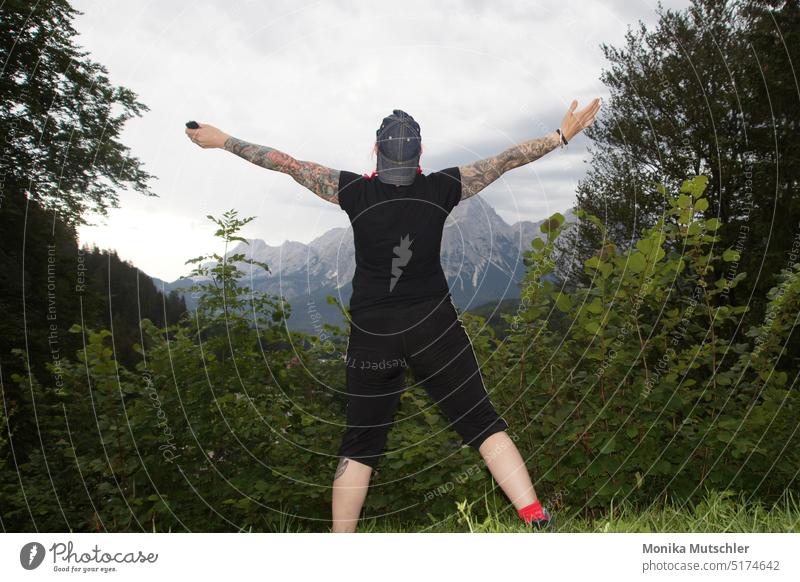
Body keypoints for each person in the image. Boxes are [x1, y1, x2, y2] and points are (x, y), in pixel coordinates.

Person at [185, 98, 601, 533]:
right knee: (481, 423)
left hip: (372, 335)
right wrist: (560, 137)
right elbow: (504, 162)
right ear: (420, 155)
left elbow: (285, 163)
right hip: (434, 329)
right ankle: (536, 519)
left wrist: (223, 140)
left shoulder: (353, 190)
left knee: (361, 443)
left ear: (375, 151)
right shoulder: (442, 187)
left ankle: (341, 548)